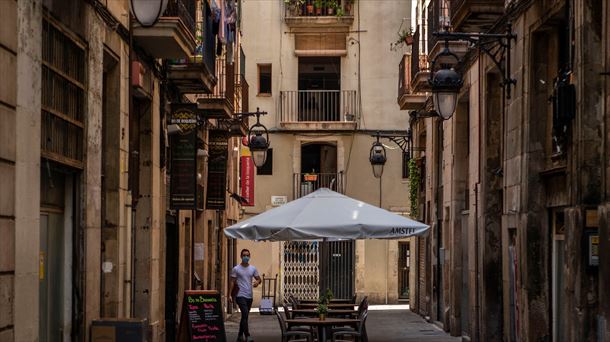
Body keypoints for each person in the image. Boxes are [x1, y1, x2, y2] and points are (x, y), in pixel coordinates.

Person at [229, 249, 261, 342]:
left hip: (249, 296)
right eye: (244, 255)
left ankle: (239, 336)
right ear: (241, 256)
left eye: (247, 255)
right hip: (240, 295)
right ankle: (247, 335)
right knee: (245, 313)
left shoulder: (253, 269)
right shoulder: (236, 269)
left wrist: (257, 282)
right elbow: (232, 282)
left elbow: (259, 279)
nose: (245, 257)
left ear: (249, 256)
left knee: (244, 317)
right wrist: (229, 295)